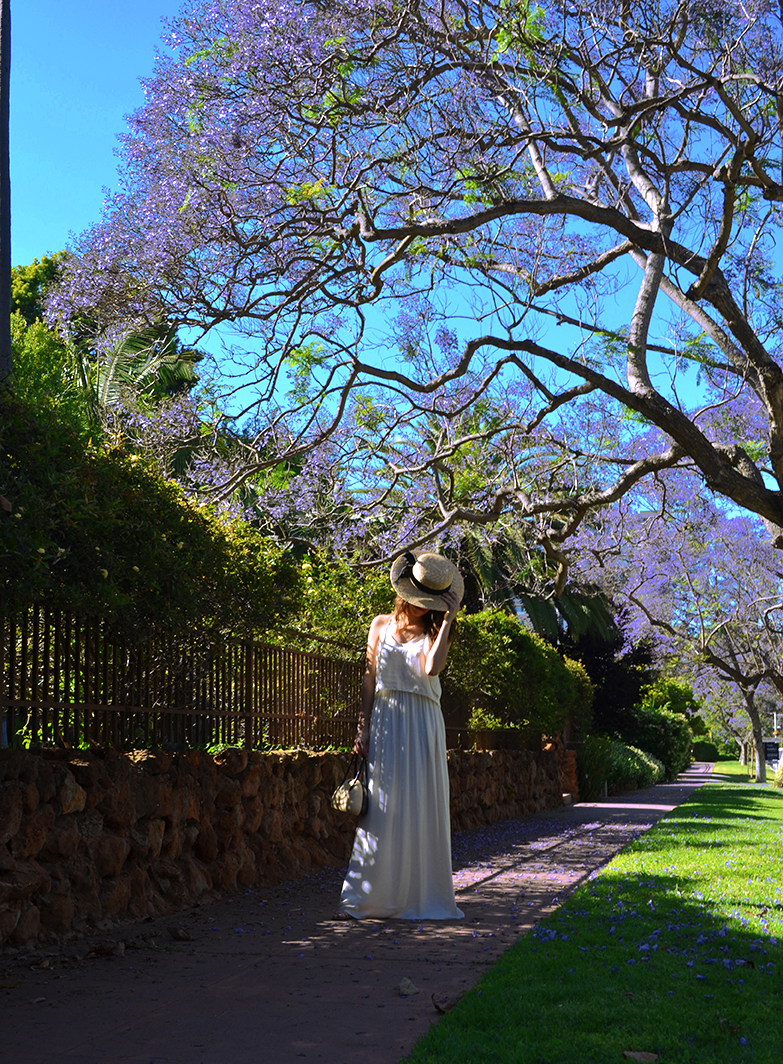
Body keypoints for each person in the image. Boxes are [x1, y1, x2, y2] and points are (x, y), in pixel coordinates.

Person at [339, 550, 465, 920]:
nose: (423, 608)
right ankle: (372, 896)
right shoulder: (379, 625)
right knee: (382, 809)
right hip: (386, 720)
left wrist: (448, 620)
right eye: (421, 601)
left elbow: (430, 668)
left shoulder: (434, 630)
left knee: (421, 805)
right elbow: (369, 679)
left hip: (423, 722)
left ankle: (421, 897)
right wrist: (362, 726)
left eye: (432, 603)